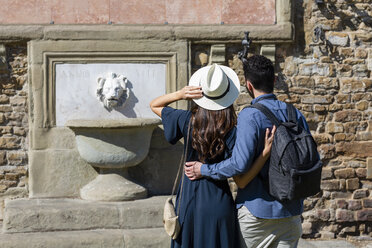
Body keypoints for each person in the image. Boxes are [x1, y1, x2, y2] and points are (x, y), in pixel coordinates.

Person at [185, 55, 315, 248]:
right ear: (274, 81)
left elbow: (239, 164)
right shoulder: (294, 113)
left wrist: (203, 170)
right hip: (291, 213)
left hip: (256, 214)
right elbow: (308, 157)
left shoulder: (250, 115)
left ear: (248, 85)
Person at [150, 63, 275, 248]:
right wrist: (264, 154)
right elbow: (241, 180)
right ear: (227, 96)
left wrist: (181, 94)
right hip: (219, 203)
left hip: (188, 202)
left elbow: (154, 104)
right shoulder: (233, 130)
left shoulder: (186, 120)